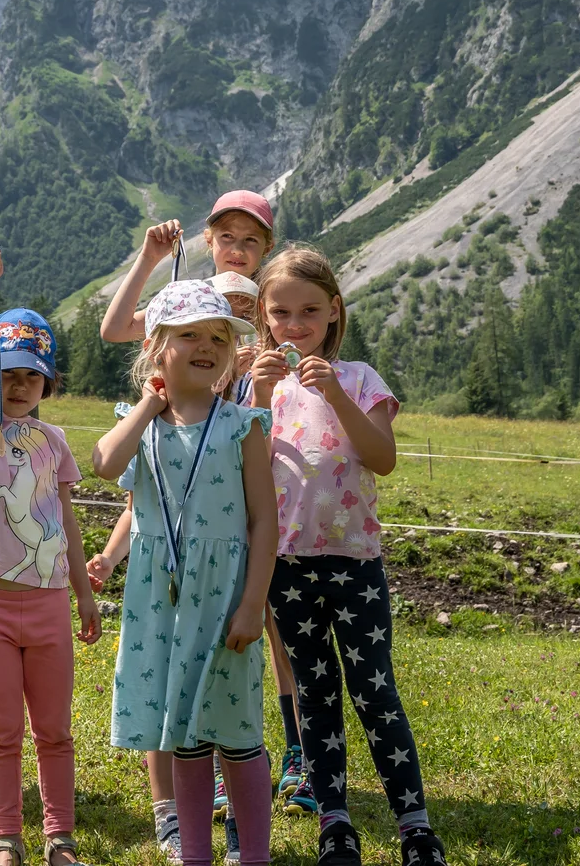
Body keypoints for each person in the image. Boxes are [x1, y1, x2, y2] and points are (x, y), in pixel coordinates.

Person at [250, 246, 448, 866]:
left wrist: (337, 395)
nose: (295, 325)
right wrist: (253, 400)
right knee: (314, 693)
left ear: (335, 311)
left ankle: (415, 825)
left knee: (374, 689)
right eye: (281, 313)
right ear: (264, 315)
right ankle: (334, 822)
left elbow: (382, 458)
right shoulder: (259, 385)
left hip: (354, 562)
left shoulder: (360, 378)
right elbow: (243, 470)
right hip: (285, 565)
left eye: (309, 310)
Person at [93, 280, 277, 866]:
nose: (207, 346)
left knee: (238, 728)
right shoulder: (141, 423)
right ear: (155, 348)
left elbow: (264, 524)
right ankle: (194, 852)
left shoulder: (242, 425)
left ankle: (254, 855)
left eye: (219, 337)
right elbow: (103, 465)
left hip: (223, 598)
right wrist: (149, 401)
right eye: (190, 335)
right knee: (183, 730)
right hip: (160, 601)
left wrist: (253, 604)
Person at [0, 245, 101, 866]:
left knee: (55, 732)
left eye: (31, 374)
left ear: (48, 382)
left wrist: (85, 593)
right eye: (8, 373)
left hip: (49, 604)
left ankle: (59, 839)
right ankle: (6, 838)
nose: (17, 383)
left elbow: (65, 518)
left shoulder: (56, 441)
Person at [98, 190, 275, 345]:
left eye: (251, 239)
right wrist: (148, 258)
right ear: (209, 240)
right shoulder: (191, 298)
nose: (237, 250)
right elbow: (115, 330)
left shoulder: (278, 302)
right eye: (227, 236)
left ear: (267, 248)